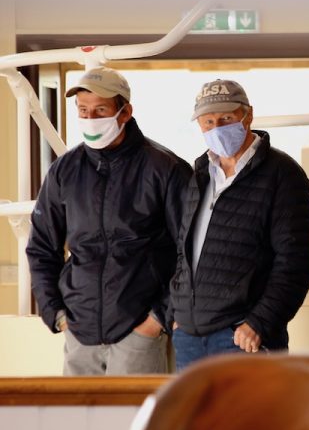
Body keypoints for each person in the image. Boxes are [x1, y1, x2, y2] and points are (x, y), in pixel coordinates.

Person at [26, 66, 193, 375]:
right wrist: (56, 314)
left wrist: (158, 319)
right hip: (79, 332)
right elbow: (41, 247)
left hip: (139, 332)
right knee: (78, 423)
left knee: (135, 422)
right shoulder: (64, 171)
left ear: (125, 112)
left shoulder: (165, 169)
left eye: (100, 110)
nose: (90, 120)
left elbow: (191, 251)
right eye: (83, 111)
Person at [169, 79, 309, 370]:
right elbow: (183, 251)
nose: (217, 128)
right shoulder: (200, 174)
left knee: (252, 417)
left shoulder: (282, 175)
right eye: (208, 121)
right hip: (189, 337)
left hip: (243, 338)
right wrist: (174, 312)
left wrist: (260, 323)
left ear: (247, 116)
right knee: (194, 418)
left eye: (226, 118)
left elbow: (295, 261)